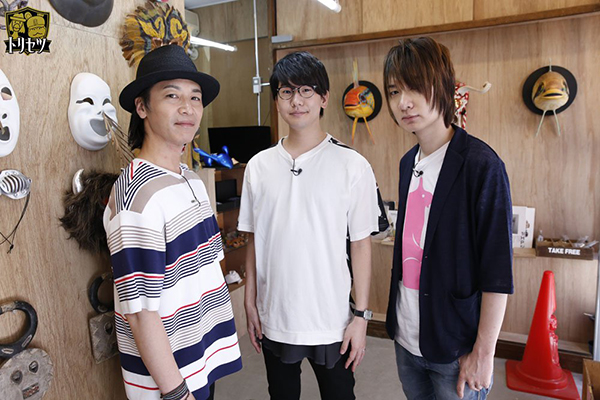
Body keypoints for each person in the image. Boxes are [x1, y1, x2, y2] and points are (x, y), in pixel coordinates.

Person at [238, 51, 386, 400]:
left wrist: (361, 317)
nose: (297, 100)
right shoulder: (258, 166)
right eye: (286, 92)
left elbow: (360, 245)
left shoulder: (352, 165)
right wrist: (250, 301)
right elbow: (254, 239)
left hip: (332, 320)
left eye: (306, 90)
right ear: (276, 100)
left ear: (324, 98)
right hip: (276, 315)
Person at [104, 44, 242, 400]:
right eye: (172, 95)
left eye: (195, 98)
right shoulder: (137, 196)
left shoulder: (189, 178)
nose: (188, 108)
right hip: (171, 382)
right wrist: (177, 393)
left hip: (199, 360)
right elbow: (140, 313)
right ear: (142, 107)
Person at [383, 37, 514, 400]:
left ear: (442, 86)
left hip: (457, 346)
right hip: (407, 337)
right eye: (394, 91)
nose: (403, 102)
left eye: (414, 87)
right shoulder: (408, 163)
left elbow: (498, 272)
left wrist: (483, 353)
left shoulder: (481, 165)